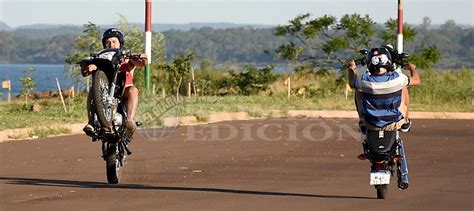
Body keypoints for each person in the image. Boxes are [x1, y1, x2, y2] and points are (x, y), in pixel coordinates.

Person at [80, 28, 147, 140]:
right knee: (92, 89)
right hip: (105, 93)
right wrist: (89, 67)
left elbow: (142, 62)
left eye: (114, 41)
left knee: (133, 90)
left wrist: (141, 57)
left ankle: (130, 121)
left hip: (124, 90)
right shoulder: (101, 60)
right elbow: (85, 72)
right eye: (108, 42)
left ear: (120, 44)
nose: (111, 44)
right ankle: (91, 122)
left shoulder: (127, 58)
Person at [347, 45, 420, 133]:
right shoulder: (398, 79)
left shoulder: (364, 80)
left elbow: (352, 83)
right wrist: (412, 68)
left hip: (370, 124)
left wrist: (351, 69)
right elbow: (416, 81)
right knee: (403, 87)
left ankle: (362, 121)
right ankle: (405, 122)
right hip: (394, 124)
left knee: (358, 90)